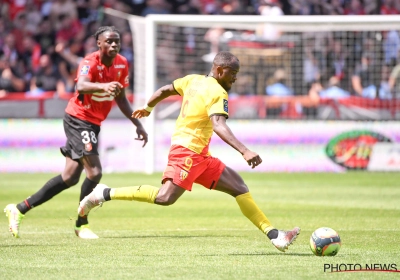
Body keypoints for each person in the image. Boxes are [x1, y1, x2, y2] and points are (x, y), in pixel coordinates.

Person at [78, 51, 300, 252]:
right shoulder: (217, 92)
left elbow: (165, 90)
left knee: (239, 188)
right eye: (233, 73)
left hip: (200, 155)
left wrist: (148, 108)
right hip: (187, 152)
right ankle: (104, 193)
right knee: (165, 197)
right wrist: (245, 151)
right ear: (220, 70)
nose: (235, 78)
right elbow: (218, 124)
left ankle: (275, 236)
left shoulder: (192, 79)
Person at [4, 26, 148, 239]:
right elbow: (80, 86)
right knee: (95, 173)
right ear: (98, 43)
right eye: (109, 41)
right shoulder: (90, 62)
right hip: (79, 119)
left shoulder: (122, 64)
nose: (114, 45)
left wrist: (137, 123)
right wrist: (103, 87)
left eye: (117, 41)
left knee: (70, 178)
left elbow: (121, 97)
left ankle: (19, 208)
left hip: (93, 123)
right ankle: (82, 224)